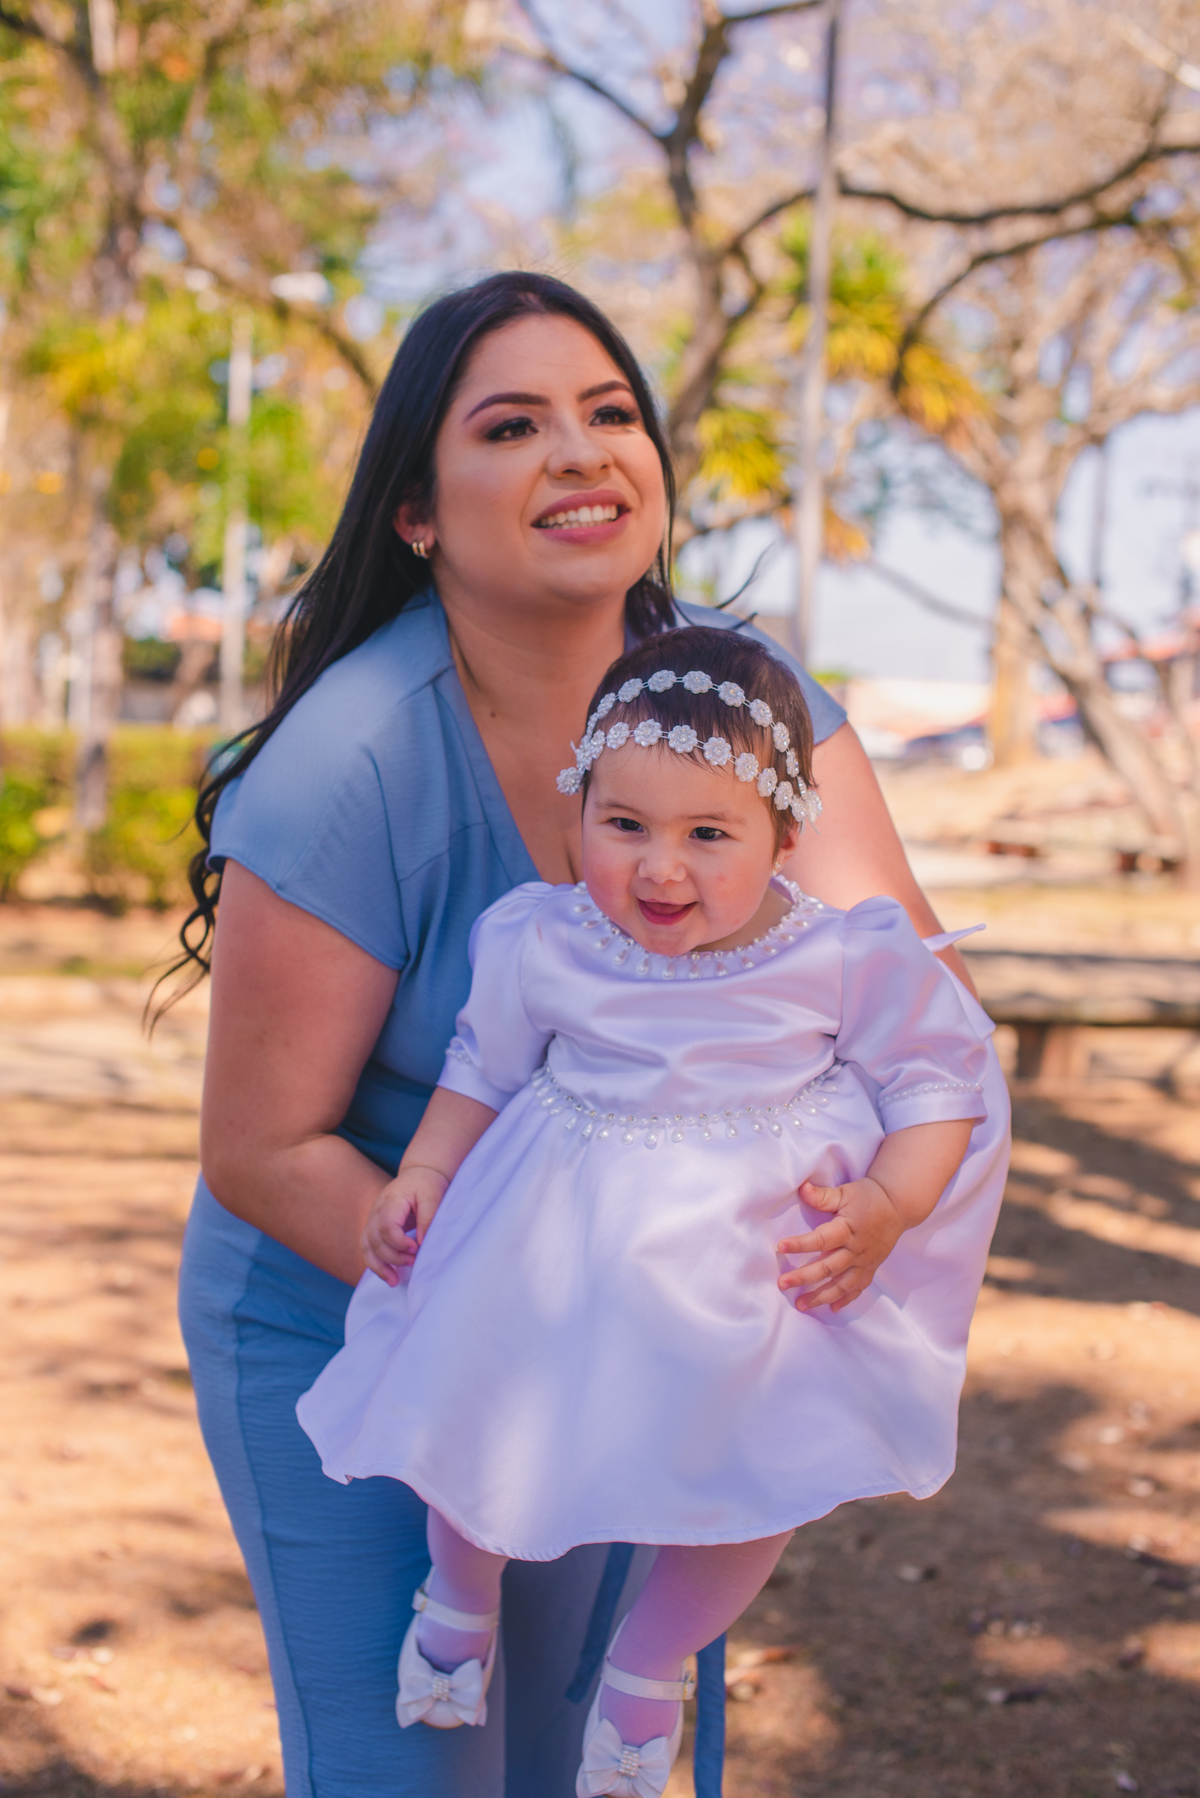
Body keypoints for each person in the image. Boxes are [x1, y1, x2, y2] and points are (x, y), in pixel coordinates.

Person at [175, 269, 995, 1798]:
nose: (580, 451)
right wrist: (527, 1312)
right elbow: (262, 1148)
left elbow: (919, 1024)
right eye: (511, 424)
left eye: (610, 411)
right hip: (374, 1290)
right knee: (416, 1773)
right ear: (418, 511)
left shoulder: (757, 718)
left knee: (567, 1764)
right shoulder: (349, 766)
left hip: (654, 1306)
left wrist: (837, 1250)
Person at [296, 625, 1011, 1798]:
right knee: (477, 1414)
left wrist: (890, 1203)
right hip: (554, 1241)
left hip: (741, 1274)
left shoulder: (838, 956)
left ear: (787, 838)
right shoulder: (546, 935)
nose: (659, 869)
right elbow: (481, 1063)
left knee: (753, 1480)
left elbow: (940, 1086)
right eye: (623, 825)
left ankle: (648, 1664)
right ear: (581, 810)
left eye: (707, 836)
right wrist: (424, 1171)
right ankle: (458, 1590)